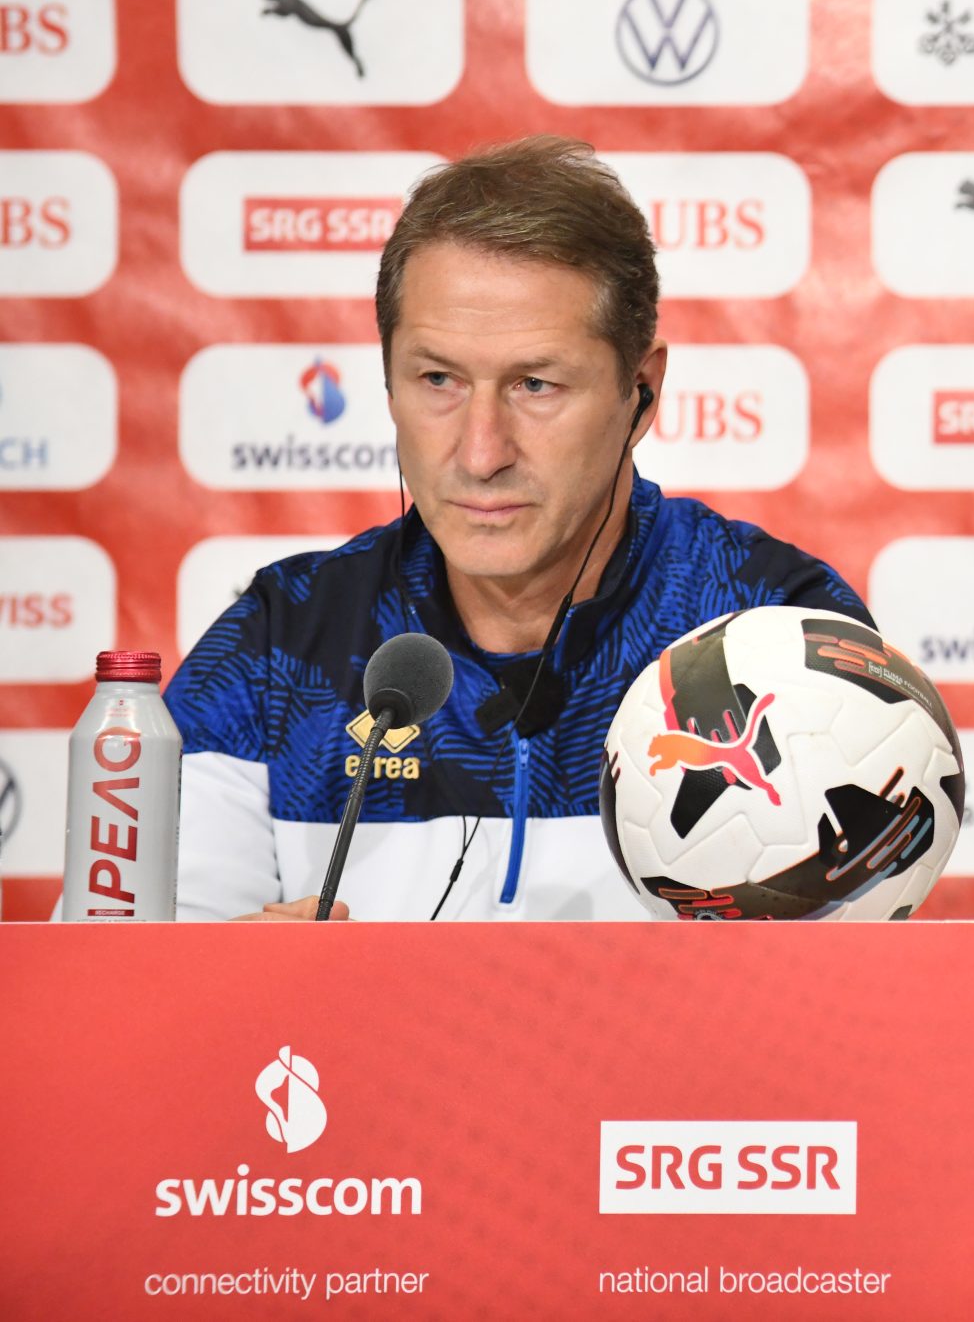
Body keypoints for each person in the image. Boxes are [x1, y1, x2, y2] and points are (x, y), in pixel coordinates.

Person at [168, 138, 869, 921]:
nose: (480, 453)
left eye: (535, 384)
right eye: (438, 378)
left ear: (640, 392)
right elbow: (133, 981)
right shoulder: (275, 646)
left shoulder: (783, 629)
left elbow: (854, 979)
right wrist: (240, 980)